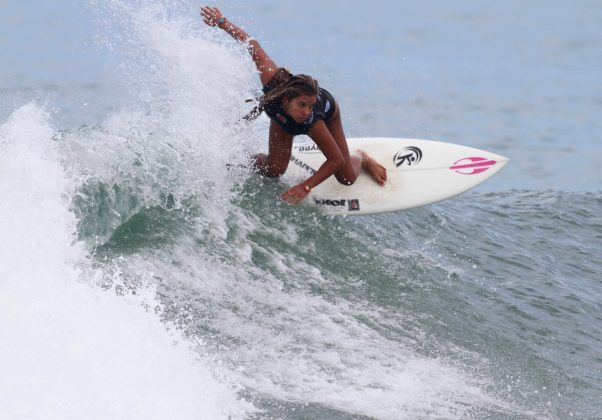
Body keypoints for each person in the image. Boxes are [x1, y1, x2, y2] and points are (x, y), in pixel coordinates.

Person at [200, 6, 387, 205]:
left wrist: (306, 186)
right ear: (287, 99)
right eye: (302, 105)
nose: (306, 112)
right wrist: (222, 22)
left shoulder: (313, 121)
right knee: (273, 170)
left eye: (310, 106)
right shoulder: (272, 80)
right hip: (283, 120)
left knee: (346, 177)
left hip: (329, 114)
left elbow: (336, 160)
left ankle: (361, 157)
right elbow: (252, 44)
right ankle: (238, 160)